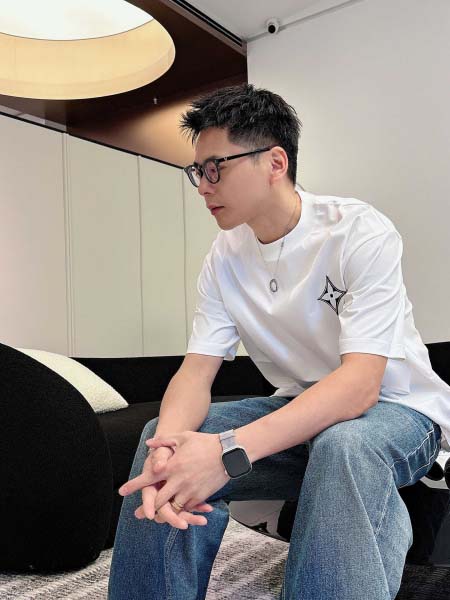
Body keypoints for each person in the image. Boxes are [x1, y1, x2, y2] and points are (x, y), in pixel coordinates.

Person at [108, 83, 449, 600]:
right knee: (163, 434)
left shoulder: (359, 231)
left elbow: (361, 386)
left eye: (215, 168)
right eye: (197, 171)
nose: (203, 186)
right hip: (299, 411)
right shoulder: (224, 257)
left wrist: (226, 453)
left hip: (399, 411)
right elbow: (196, 372)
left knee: (344, 446)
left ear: (275, 162)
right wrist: (169, 455)